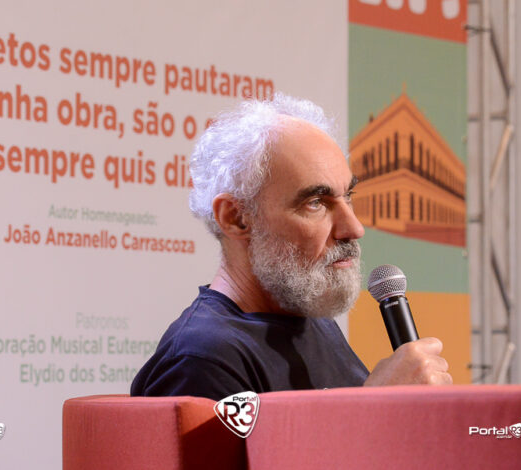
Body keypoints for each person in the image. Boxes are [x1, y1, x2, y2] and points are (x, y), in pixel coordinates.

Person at [131, 94, 452, 401]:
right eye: (316, 202)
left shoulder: (315, 324)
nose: (354, 228)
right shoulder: (201, 359)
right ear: (236, 218)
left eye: (348, 196)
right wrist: (377, 404)